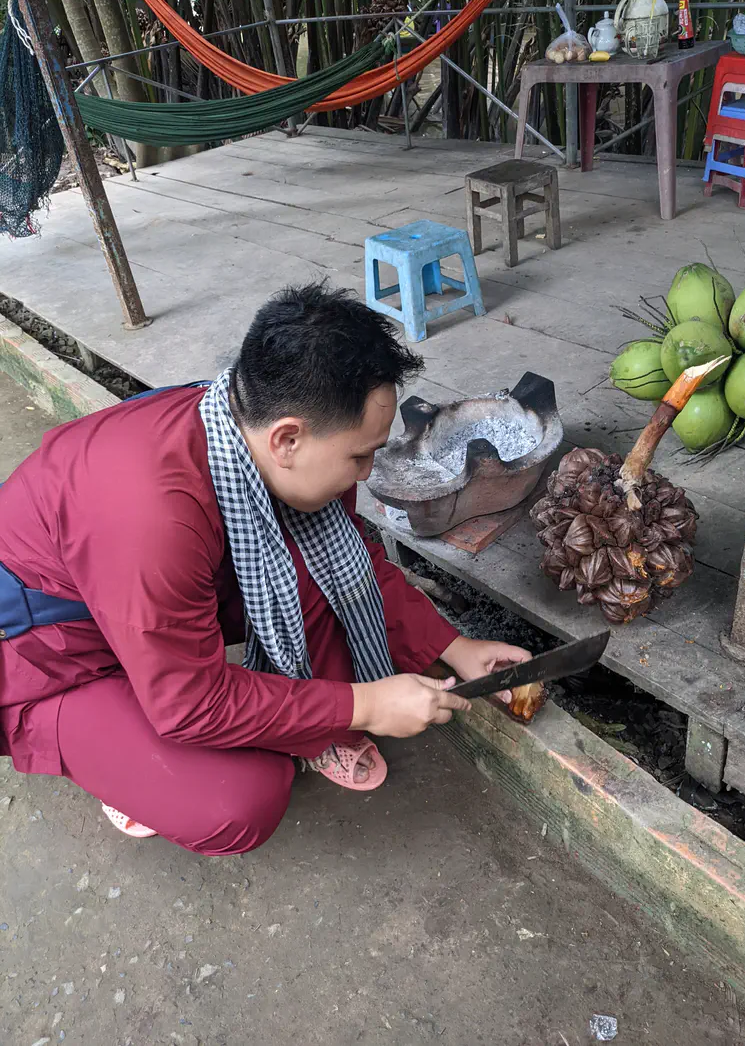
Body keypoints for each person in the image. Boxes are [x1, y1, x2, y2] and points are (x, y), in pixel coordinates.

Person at [0, 283, 531, 856]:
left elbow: (349, 560)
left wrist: (455, 646)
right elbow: (190, 704)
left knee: (317, 559)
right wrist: (368, 705)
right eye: (359, 456)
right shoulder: (153, 516)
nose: (366, 472)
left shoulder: (248, 428)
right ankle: (117, 761)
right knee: (240, 801)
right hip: (49, 652)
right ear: (287, 438)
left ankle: (204, 689)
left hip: (133, 600)